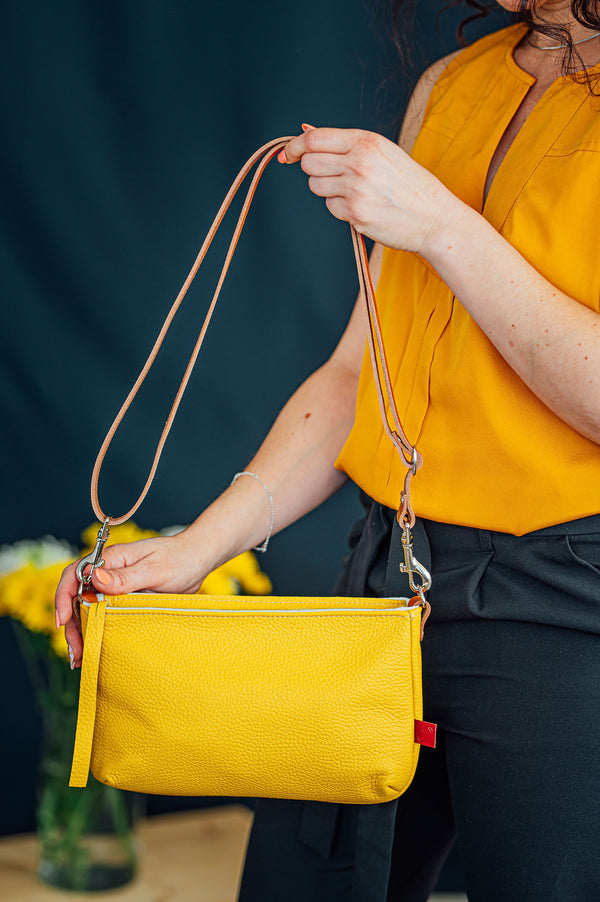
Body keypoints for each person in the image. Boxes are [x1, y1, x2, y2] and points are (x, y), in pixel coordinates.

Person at [55, 1, 600, 898]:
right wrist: (198, 548)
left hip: (566, 603)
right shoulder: (454, 86)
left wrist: (443, 225)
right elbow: (355, 375)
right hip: (392, 573)